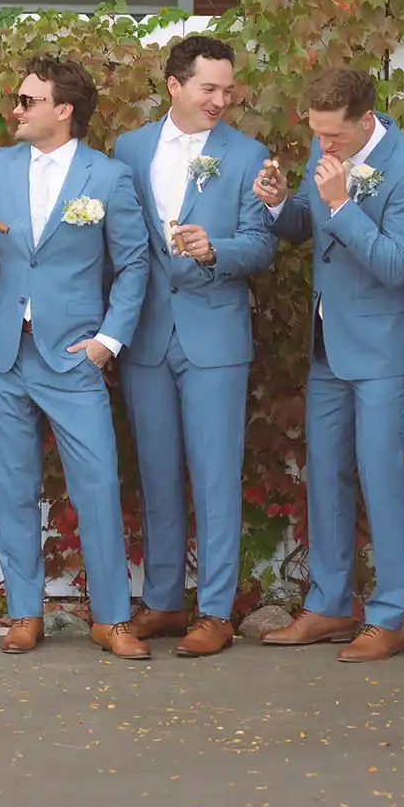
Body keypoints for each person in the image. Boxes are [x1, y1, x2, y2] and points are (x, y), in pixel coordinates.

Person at [0, 55, 151, 659]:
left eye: (28, 100)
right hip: (5, 351)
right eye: (17, 98)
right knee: (12, 486)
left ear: (63, 110)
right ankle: (23, 613)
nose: (15, 108)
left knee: (96, 486)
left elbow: (134, 263)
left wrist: (107, 343)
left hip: (73, 355)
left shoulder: (108, 177)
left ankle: (113, 618)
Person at [252, 66, 404, 662]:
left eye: (333, 137)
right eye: (317, 135)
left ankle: (386, 616)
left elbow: (394, 267)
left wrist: (340, 204)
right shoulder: (324, 142)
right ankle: (329, 607)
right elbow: (308, 223)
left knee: (379, 474)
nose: (323, 146)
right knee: (325, 472)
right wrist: (283, 205)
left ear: (366, 120)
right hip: (328, 343)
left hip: (384, 349)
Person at [111, 35, 277, 657]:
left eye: (227, 90)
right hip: (147, 333)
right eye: (208, 87)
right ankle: (161, 601)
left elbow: (261, 245)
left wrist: (218, 251)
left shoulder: (247, 153)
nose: (220, 99)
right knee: (155, 473)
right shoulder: (128, 149)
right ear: (174, 85)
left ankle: (214, 610)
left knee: (213, 476)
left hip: (214, 332)